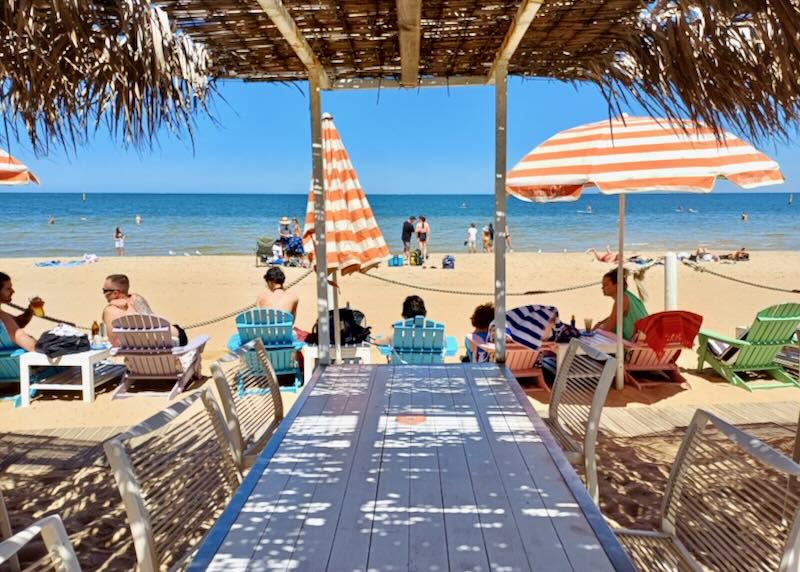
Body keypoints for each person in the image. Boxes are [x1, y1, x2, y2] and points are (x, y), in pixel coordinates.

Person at [594, 268, 648, 341]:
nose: (602, 288)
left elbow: (607, 328)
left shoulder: (621, 299)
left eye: (606, 285)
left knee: (598, 335)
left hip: (634, 346)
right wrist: (600, 323)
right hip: (643, 342)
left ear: (617, 285)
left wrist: (596, 328)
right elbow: (613, 317)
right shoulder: (628, 296)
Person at [101, 274, 154, 346]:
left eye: (105, 291)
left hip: (133, 352)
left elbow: (114, 342)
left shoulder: (110, 310)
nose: (104, 294)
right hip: (156, 345)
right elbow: (151, 319)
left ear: (116, 293)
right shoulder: (137, 299)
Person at [0, 272, 41, 351]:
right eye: (8, 289)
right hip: (11, 359)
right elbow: (18, 335)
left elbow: (17, 323)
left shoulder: (3, 317)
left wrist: (30, 310)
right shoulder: (2, 317)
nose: (13, 291)